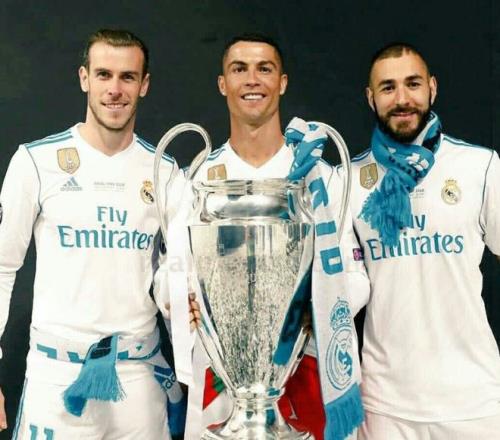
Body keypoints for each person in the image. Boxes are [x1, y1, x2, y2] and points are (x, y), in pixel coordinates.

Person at [0, 29, 184, 439]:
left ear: (144, 85)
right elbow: (1, 266)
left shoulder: (165, 171)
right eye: (104, 75)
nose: (114, 89)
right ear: (84, 78)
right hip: (57, 374)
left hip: (138, 377)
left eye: (127, 77)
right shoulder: (36, 162)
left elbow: (178, 274)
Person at [185, 33, 370, 440]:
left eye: (264, 69)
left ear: (282, 82)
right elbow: (173, 276)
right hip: (223, 380)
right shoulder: (198, 179)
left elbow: (355, 278)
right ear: (223, 84)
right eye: (239, 69)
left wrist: (313, 309)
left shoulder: (319, 177)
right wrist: (184, 301)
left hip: (307, 368)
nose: (252, 80)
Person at [349, 42, 500, 439]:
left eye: (412, 84)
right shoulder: (348, 179)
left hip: (473, 401)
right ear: (370, 97)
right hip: (384, 404)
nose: (402, 99)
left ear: (432, 88)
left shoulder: (480, 166)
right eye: (388, 87)